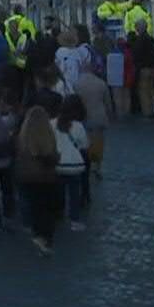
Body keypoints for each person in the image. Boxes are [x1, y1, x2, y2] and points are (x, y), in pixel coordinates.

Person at [15, 105, 62, 255]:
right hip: (46, 177)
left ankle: (36, 234)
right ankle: (45, 239)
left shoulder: (22, 138)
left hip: (26, 177)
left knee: (34, 206)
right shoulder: (48, 136)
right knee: (46, 209)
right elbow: (50, 158)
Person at [53, 95, 90, 231]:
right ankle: (74, 220)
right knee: (74, 193)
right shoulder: (78, 126)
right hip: (74, 166)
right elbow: (85, 145)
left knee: (58, 191)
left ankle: (58, 215)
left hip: (58, 164)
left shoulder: (53, 123)